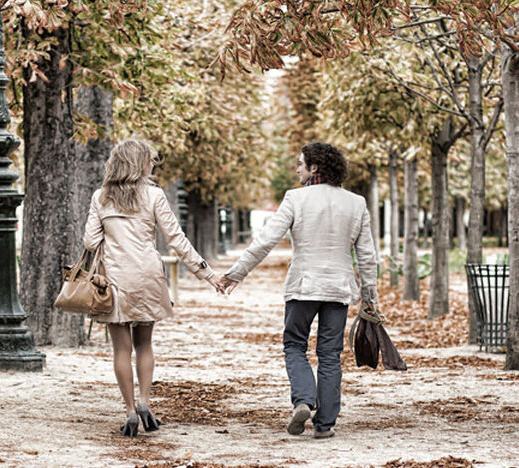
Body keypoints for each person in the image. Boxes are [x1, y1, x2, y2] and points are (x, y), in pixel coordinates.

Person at [218, 142, 378, 440]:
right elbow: (367, 255)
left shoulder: (295, 198)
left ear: (315, 167)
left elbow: (266, 240)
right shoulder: (356, 203)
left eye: (300, 163)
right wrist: (370, 296)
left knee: (294, 345)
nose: (297, 168)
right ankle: (324, 425)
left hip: (303, 287)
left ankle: (304, 400)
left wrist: (236, 273)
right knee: (330, 354)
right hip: (338, 289)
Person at [83, 139, 222, 437]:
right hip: (147, 276)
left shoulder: (101, 197)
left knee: (121, 348)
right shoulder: (154, 196)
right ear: (139, 164)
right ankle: (146, 401)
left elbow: (90, 242)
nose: (152, 165)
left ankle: (130, 409)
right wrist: (206, 273)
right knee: (144, 343)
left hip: (115, 279)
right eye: (149, 161)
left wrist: (113, 239)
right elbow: (175, 238)